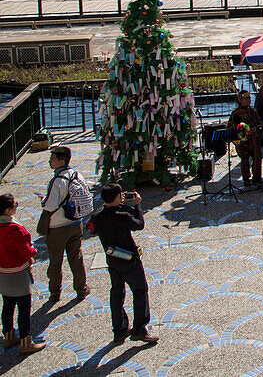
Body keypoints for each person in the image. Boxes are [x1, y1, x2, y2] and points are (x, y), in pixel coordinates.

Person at [89, 183, 157, 345]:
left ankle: (119, 329)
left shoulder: (97, 216)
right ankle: (139, 329)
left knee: (117, 293)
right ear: (116, 198)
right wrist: (137, 206)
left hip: (112, 259)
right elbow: (139, 224)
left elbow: (93, 229)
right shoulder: (122, 216)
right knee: (140, 290)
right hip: (129, 259)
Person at [41, 145, 90, 302]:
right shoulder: (77, 175)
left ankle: (55, 292)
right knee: (76, 257)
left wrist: (42, 200)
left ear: (61, 161)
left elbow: (49, 205)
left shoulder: (57, 181)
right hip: (75, 223)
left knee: (55, 260)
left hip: (57, 227)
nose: (49, 161)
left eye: (52, 159)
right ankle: (81, 288)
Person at [0, 194, 44, 354]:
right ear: (8, 209)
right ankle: (26, 342)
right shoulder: (15, 229)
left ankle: (8, 336)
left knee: (8, 305)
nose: (16, 207)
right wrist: (34, 250)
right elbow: (26, 252)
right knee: (24, 309)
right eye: (14, 205)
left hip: (2, 273)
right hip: (18, 273)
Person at [227, 90, 263, 187]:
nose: (248, 100)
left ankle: (257, 178)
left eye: (249, 98)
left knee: (258, 158)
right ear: (240, 100)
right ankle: (246, 179)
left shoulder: (253, 111)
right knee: (245, 160)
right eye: (245, 99)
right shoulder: (236, 113)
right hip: (243, 141)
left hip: (254, 139)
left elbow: (258, 123)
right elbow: (229, 128)